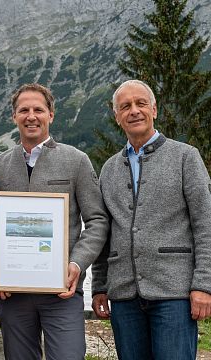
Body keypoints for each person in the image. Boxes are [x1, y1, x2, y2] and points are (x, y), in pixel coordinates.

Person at [0, 83, 109, 360]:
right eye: (24, 110)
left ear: (51, 115)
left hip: (62, 291)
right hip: (12, 292)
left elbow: (97, 220)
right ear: (14, 117)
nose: (31, 116)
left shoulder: (76, 160)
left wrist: (76, 263)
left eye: (38, 109)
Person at [91, 79, 211, 360]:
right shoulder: (108, 169)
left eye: (140, 103)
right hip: (123, 296)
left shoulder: (185, 157)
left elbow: (205, 223)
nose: (134, 111)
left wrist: (204, 284)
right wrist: (99, 287)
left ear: (154, 110)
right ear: (117, 116)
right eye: (125, 106)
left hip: (174, 293)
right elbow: (104, 232)